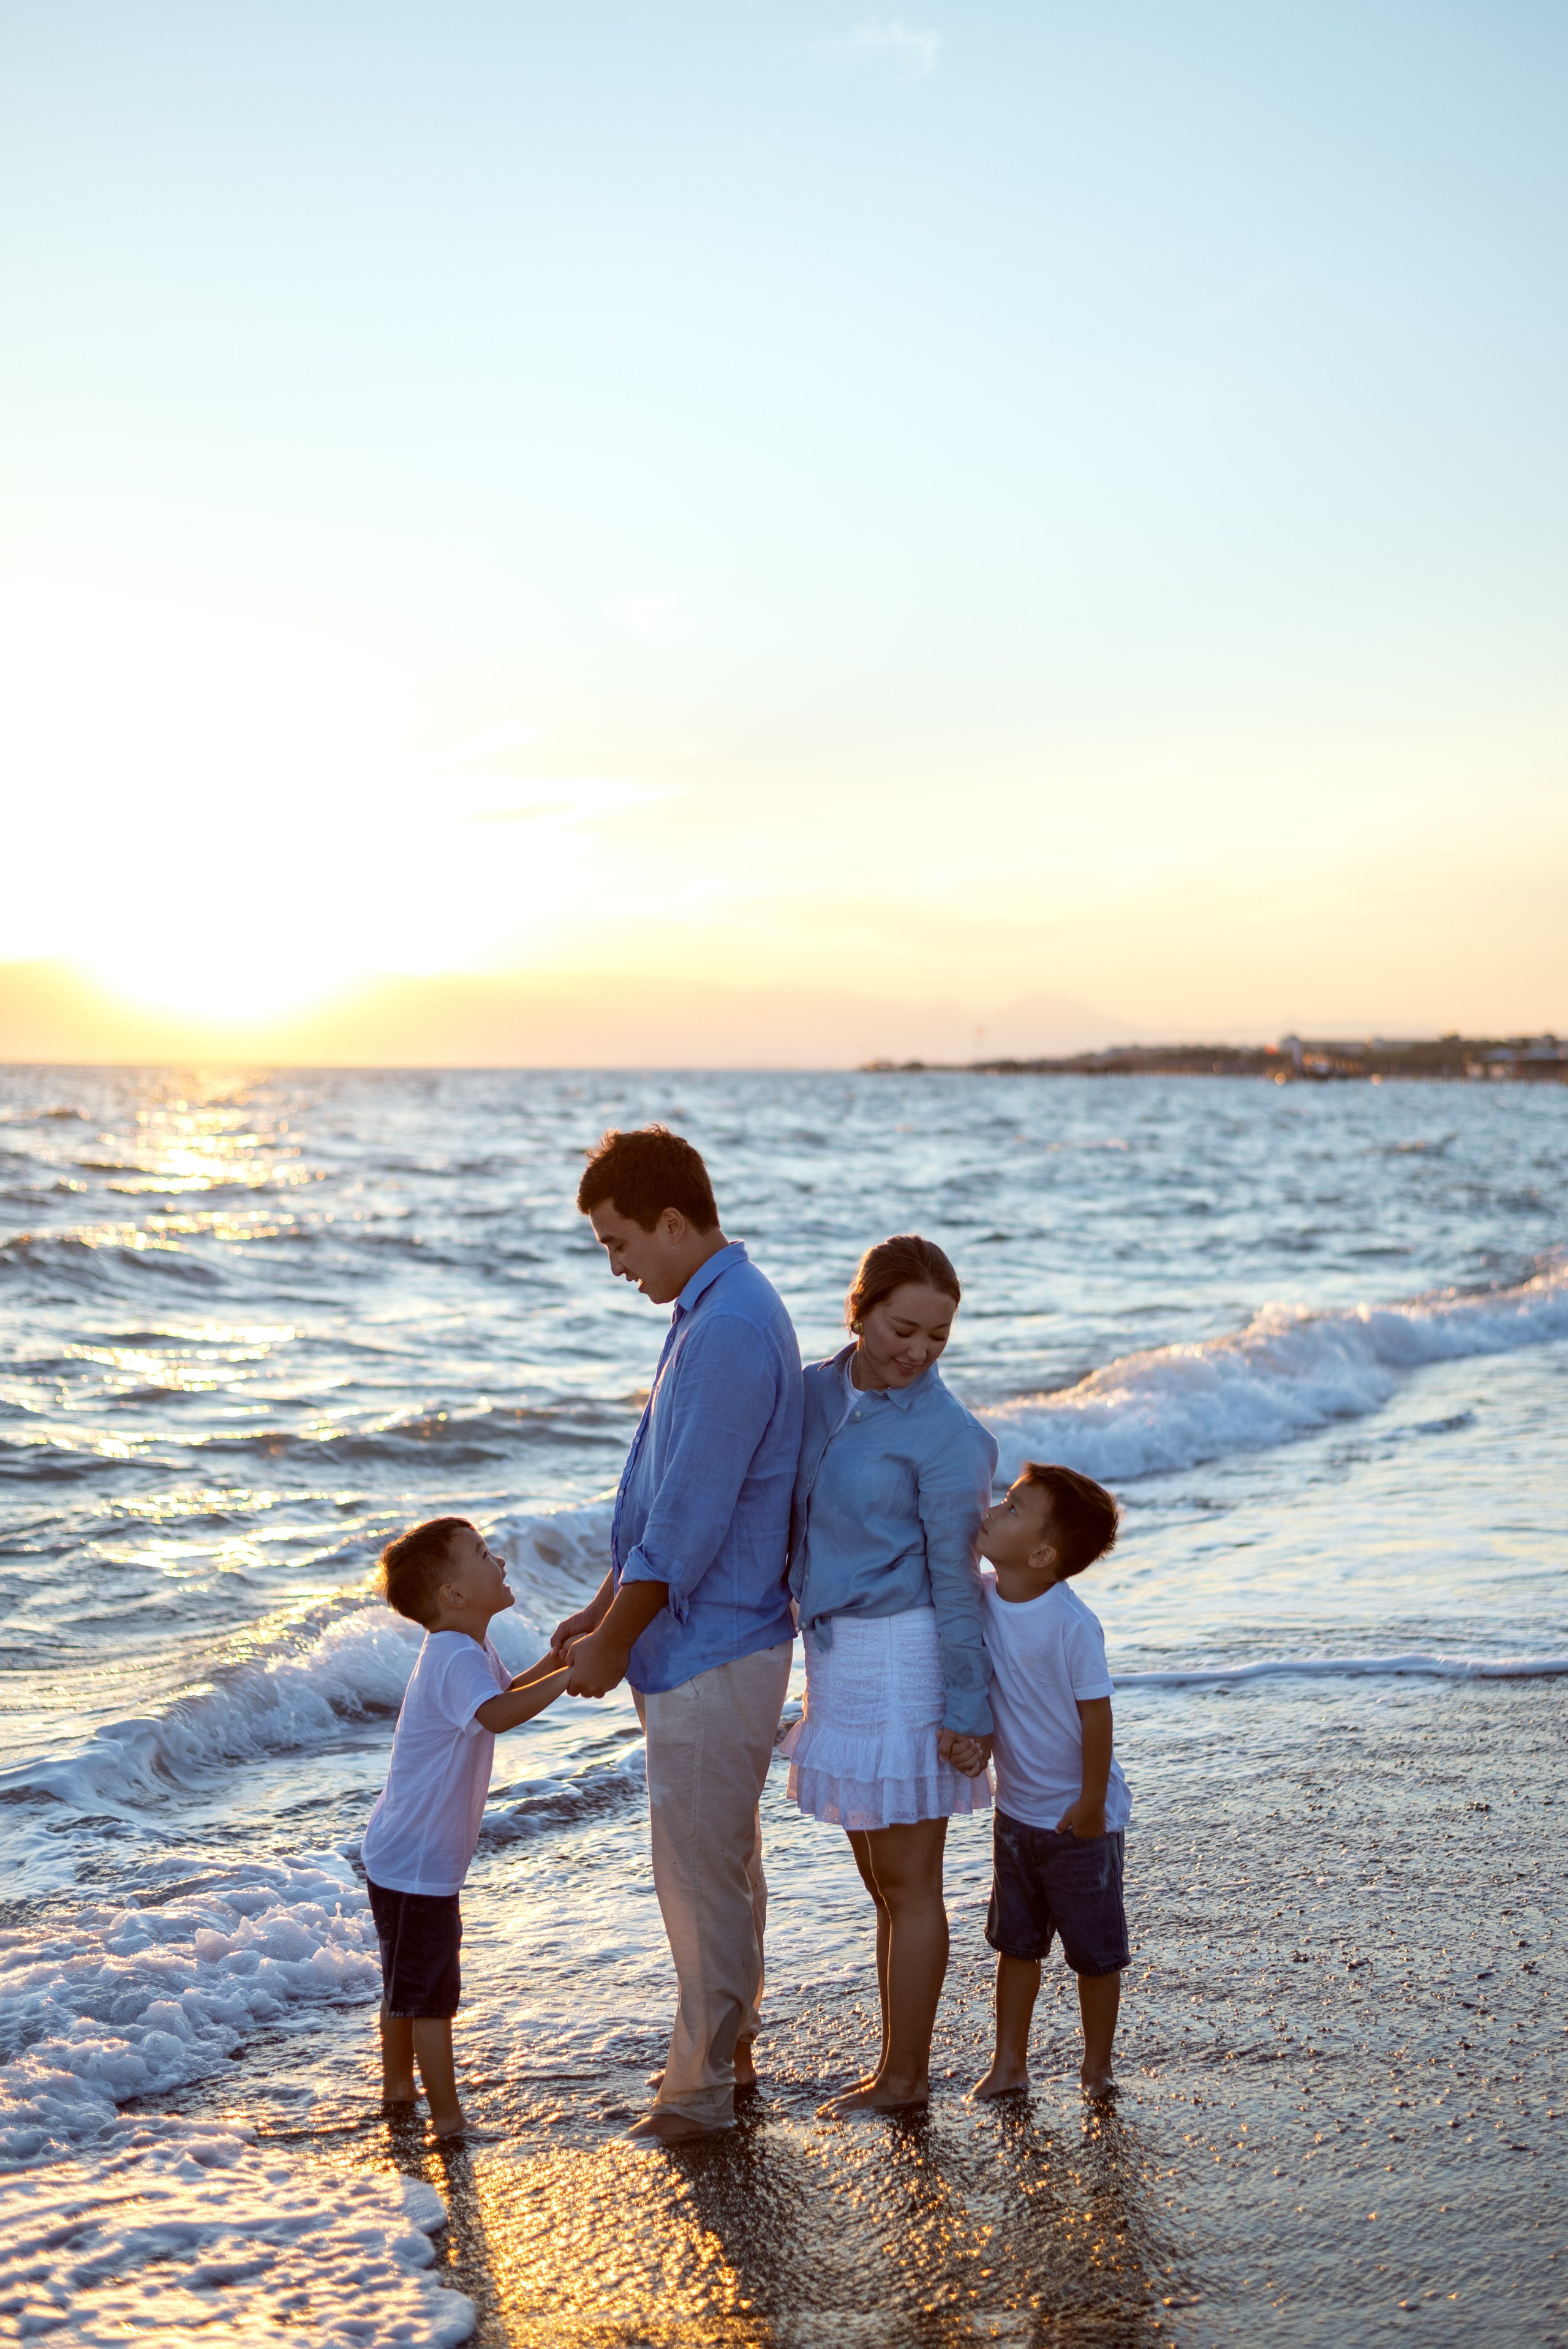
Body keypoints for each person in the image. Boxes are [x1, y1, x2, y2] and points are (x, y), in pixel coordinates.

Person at [552, 1126, 802, 2145]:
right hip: (711, 1638)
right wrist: (604, 1606)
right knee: (723, 1866)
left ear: (669, 1221)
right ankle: (730, 2066)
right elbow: (670, 1495)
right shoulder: (712, 1310)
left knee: (702, 1880)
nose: (615, 1268)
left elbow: (693, 1522)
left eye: (617, 1244)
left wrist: (617, 1642)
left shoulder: (732, 1327)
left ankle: (698, 2097)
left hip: (718, 1642)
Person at [780, 1232, 995, 2116]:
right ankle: (891, 2064)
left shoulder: (950, 1437)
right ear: (859, 1308)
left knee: (911, 1885)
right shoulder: (809, 1391)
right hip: (834, 1657)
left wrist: (969, 1707)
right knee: (882, 1886)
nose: (918, 1349)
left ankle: (907, 2077)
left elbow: (958, 1582)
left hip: (909, 1654)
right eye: (905, 1326)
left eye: (939, 1336)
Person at [361, 1517, 568, 2141]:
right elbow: (500, 1714)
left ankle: (398, 2088)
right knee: (429, 1992)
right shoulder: (454, 1654)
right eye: (481, 1554)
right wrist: (572, 1677)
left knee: (404, 1980)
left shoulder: (463, 1646)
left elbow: (507, 1690)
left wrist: (557, 1657)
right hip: (420, 1859)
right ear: (454, 1594)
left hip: (400, 1849)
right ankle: (447, 2121)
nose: (498, 1560)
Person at [954, 1463, 1130, 2101]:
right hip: (1017, 1811)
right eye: (1004, 1500)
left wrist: (1090, 1801)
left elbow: (1096, 1712)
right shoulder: (979, 1595)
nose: (994, 1509)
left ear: (1042, 1552)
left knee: (1095, 1952)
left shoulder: (1070, 1622)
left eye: (1012, 1507)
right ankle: (1008, 2064)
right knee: (1016, 1945)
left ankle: (1096, 2065)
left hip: (1080, 1819)